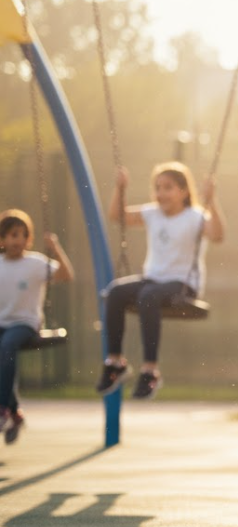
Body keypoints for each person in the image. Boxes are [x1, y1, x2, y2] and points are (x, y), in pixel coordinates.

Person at [95, 162, 225, 400]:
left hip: (183, 285)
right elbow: (117, 216)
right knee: (114, 292)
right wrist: (120, 188)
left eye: (168, 187)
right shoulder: (152, 213)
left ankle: (150, 370)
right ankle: (115, 363)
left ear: (184, 191)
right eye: (157, 187)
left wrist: (212, 200)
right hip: (153, 279)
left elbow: (217, 235)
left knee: (148, 297)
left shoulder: (195, 216)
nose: (161, 193)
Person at [0, 209, 75, 443]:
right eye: (13, 235)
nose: (18, 240)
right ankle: (15, 413)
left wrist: (55, 249)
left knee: (7, 346)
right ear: (2, 239)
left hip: (25, 324)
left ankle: (3, 408)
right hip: (2, 323)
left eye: (23, 235)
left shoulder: (35, 263)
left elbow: (65, 274)